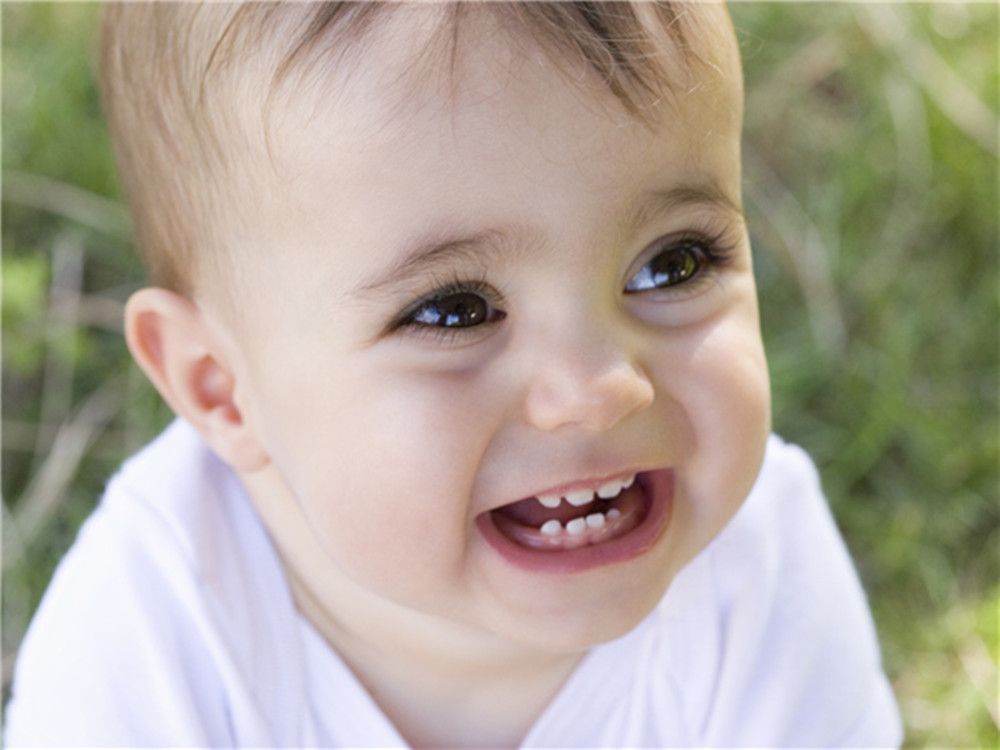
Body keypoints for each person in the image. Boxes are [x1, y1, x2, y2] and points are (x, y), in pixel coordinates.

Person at [3, 2, 903, 747]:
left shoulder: (755, 581)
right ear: (220, 387)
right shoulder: (151, 638)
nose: (601, 385)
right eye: (455, 311)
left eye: (672, 263)